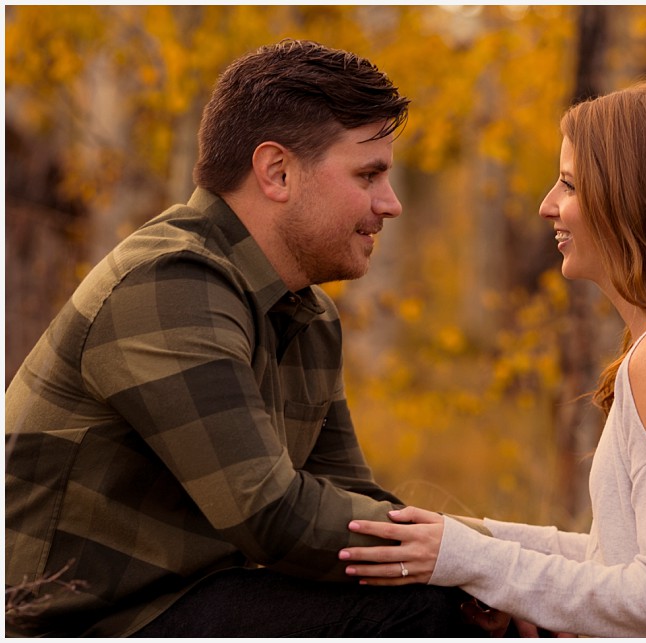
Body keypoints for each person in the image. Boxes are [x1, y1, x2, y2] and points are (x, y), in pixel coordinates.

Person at [4, 40, 486, 637]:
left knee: (453, 599)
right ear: (277, 172)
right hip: (75, 622)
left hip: (187, 598)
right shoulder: (169, 284)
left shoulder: (305, 313)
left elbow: (350, 496)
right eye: (369, 174)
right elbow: (273, 514)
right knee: (422, 606)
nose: (391, 204)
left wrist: (504, 571)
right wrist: (480, 564)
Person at [338, 82, 646, 637]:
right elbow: (625, 560)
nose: (547, 205)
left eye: (570, 185)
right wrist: (470, 539)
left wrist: (475, 560)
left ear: (630, 201)